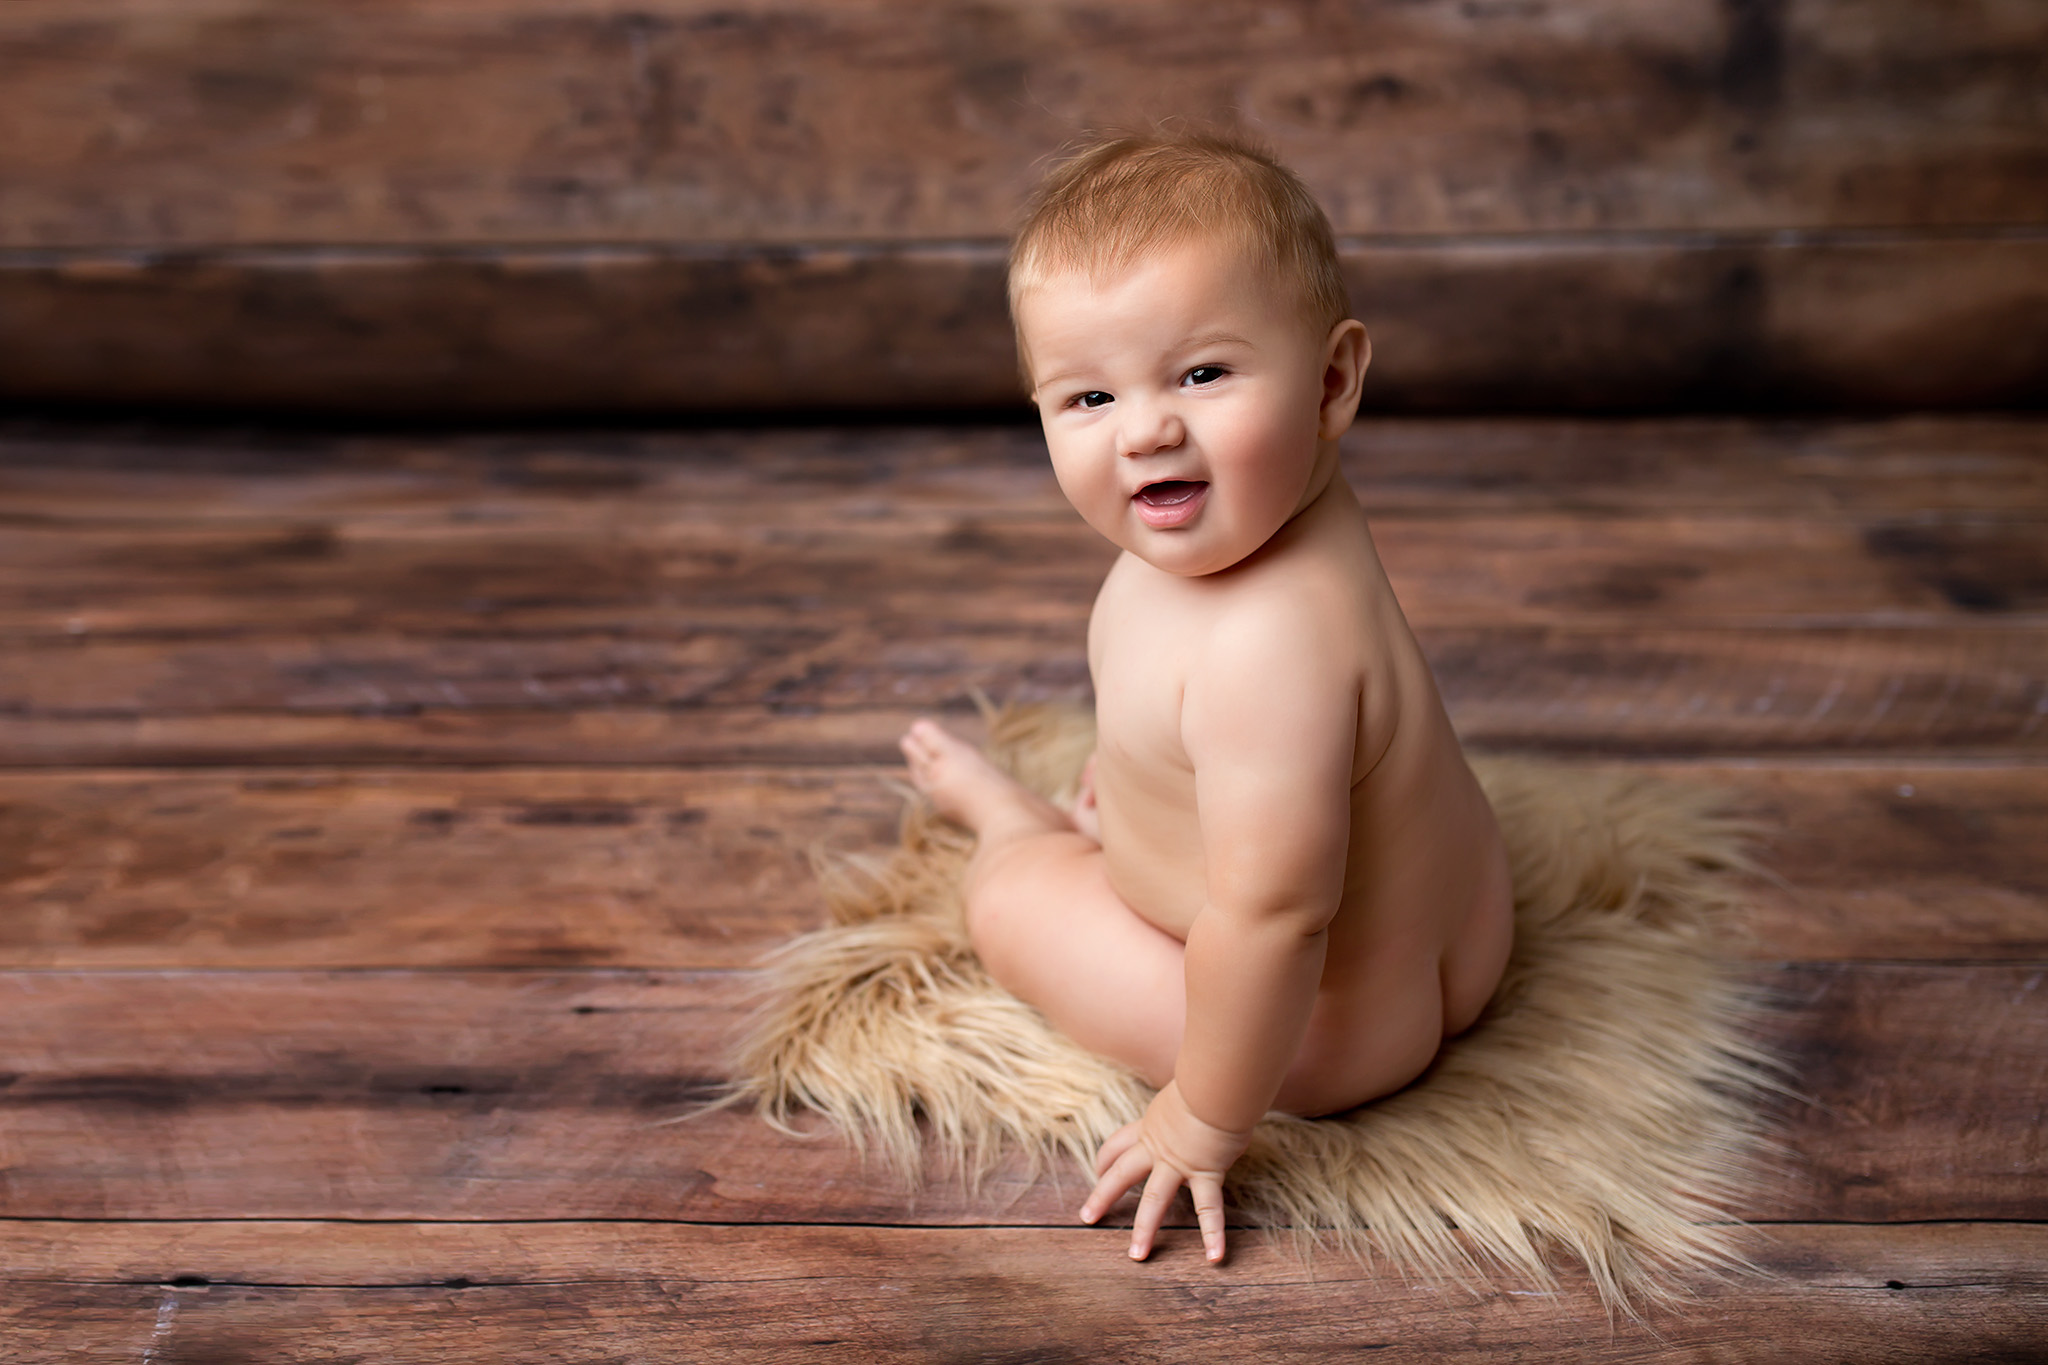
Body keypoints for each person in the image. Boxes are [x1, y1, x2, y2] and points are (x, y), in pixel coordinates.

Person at [898, 131, 1514, 1266]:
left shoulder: (1264, 651)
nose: (1144, 430)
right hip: (1464, 939)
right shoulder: (1300, 509)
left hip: (1320, 1038)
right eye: (1087, 394)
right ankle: (1128, 826)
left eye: (1200, 374)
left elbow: (1275, 919)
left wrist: (1202, 1114)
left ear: (1331, 382)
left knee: (1019, 902)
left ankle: (1008, 830)